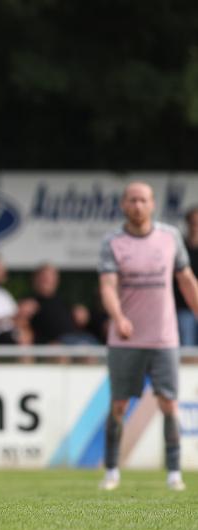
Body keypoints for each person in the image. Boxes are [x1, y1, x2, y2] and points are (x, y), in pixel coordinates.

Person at [98, 181, 198, 492]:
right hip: (125, 339)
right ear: (123, 205)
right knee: (118, 404)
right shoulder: (113, 242)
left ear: (153, 204)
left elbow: (186, 280)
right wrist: (118, 318)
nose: (138, 205)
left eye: (143, 200)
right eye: (132, 200)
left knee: (169, 403)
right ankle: (112, 470)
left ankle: (173, 472)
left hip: (164, 337)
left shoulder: (170, 238)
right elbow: (107, 287)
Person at [23, 263, 98, 345]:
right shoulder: (28, 302)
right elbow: (21, 326)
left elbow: (82, 319)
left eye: (50, 277)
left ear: (56, 280)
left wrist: (82, 314)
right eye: (44, 277)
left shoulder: (64, 300)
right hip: (49, 344)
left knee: (90, 350)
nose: (47, 280)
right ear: (35, 279)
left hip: (76, 338)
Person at [174, 207, 198, 346]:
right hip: (184, 308)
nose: (196, 227)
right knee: (187, 347)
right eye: (193, 223)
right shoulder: (179, 248)